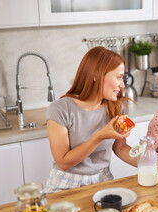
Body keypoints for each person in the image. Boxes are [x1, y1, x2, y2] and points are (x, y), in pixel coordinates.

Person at [45, 46, 136, 193]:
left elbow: (120, 148)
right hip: (65, 183)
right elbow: (63, 162)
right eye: (118, 77)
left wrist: (150, 164)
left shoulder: (118, 107)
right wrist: (100, 136)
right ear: (96, 75)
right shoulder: (60, 109)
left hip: (103, 180)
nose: (123, 85)